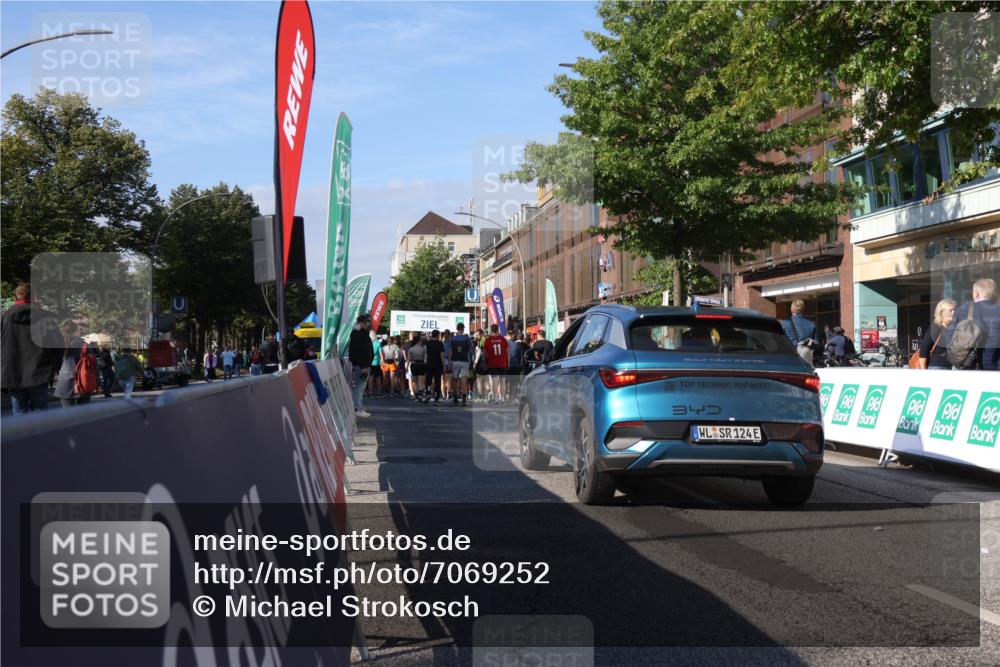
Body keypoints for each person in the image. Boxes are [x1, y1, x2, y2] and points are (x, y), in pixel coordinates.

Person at [1, 282, 62, 414]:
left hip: (13, 373)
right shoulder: (45, 317)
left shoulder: (4, 318)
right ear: (34, 297)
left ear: (16, 297)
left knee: (19, 415)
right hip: (40, 372)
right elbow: (58, 345)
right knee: (40, 416)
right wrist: (56, 367)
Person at [945, 278, 1000, 370]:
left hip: (966, 365)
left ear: (976, 293)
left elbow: (948, 337)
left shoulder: (963, 309)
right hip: (994, 366)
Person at [52, 321, 93, 407]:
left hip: (64, 382)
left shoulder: (59, 344)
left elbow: (55, 362)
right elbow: (93, 365)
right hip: (83, 381)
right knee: (85, 416)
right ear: (76, 332)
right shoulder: (85, 345)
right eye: (79, 330)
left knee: (68, 416)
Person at [348, 314, 374, 417]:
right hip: (362, 366)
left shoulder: (361, 333)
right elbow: (359, 352)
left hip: (363, 365)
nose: (368, 324)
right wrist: (364, 366)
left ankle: (359, 407)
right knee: (359, 388)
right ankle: (357, 409)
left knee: (360, 388)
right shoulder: (358, 334)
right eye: (367, 322)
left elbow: (366, 351)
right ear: (361, 323)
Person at [919, 299, 956, 370]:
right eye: (950, 310)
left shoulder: (953, 328)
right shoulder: (935, 328)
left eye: (954, 310)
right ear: (942, 312)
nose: (954, 312)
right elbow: (923, 351)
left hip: (951, 367)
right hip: (937, 368)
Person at [482, 324, 509, 403]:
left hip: (493, 363)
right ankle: (503, 399)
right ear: (498, 330)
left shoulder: (488, 340)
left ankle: (496, 399)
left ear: (491, 330)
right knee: (502, 381)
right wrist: (508, 362)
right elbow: (507, 353)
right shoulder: (503, 339)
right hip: (503, 363)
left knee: (494, 381)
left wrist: (484, 362)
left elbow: (484, 353)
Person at [449, 322, 472, 406]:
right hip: (464, 361)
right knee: (464, 380)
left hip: (455, 361)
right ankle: (464, 400)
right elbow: (471, 349)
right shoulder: (467, 338)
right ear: (463, 329)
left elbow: (450, 350)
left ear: (457, 329)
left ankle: (455, 399)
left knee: (455, 380)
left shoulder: (453, 339)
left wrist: (450, 361)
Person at [424, 330, 446, 404]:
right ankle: (436, 398)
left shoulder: (428, 343)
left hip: (429, 364)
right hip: (438, 364)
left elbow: (426, 355)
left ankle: (428, 393)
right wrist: (444, 366)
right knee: (437, 382)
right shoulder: (440, 344)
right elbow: (442, 356)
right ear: (437, 335)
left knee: (428, 381)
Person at [406, 332, 428, 401]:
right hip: (422, 364)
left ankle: (417, 395)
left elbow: (409, 359)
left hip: (414, 365)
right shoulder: (423, 349)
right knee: (421, 381)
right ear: (419, 341)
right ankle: (421, 394)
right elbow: (426, 358)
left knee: (415, 381)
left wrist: (406, 367)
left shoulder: (411, 349)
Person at [368, 331, 383, 397]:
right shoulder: (378, 343)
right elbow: (381, 355)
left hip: (369, 362)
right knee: (378, 377)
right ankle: (379, 391)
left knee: (370, 377)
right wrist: (382, 361)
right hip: (377, 363)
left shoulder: (368, 343)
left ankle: (370, 392)